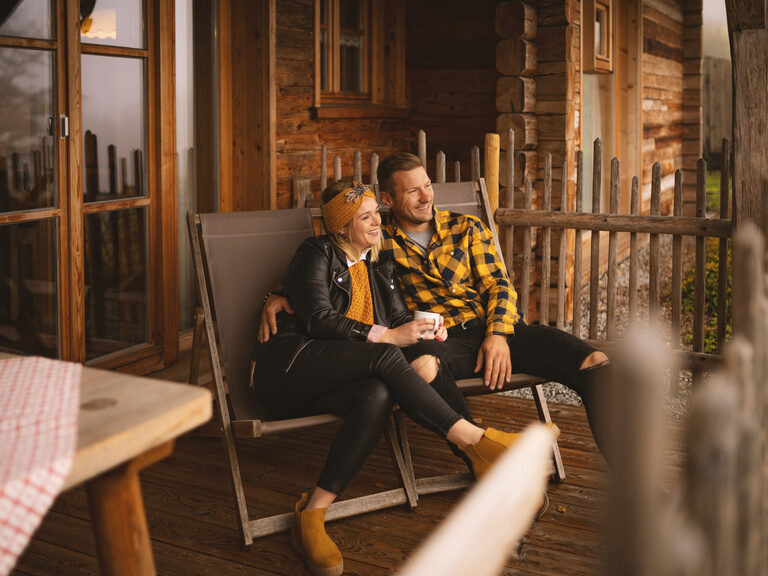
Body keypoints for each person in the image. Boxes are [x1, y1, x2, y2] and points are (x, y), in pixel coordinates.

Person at [252, 180, 535, 576]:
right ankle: (476, 441)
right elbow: (317, 317)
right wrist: (385, 336)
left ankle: (310, 516)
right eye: (365, 217)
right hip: (291, 368)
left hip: (345, 374)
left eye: (376, 215)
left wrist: (425, 328)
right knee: (384, 355)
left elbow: (399, 318)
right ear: (340, 226)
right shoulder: (316, 252)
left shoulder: (379, 263)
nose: (375, 222)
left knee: (379, 394)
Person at [262, 154, 612, 462]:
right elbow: (329, 265)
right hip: (440, 342)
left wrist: (498, 334)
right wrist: (279, 295)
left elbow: (498, 285)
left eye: (427, 185)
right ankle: (483, 455)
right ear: (388, 198)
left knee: (594, 363)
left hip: (497, 332)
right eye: (413, 190)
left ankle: (632, 478)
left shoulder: (467, 228)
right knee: (422, 364)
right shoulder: (380, 242)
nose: (426, 196)